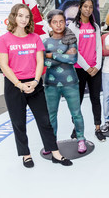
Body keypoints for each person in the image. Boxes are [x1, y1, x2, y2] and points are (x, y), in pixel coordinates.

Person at [0, 3, 72, 168]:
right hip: (14, 86)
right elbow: (4, 65)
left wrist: (36, 81)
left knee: (45, 120)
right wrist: (18, 84)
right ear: (14, 16)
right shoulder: (4, 39)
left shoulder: (35, 38)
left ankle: (55, 153)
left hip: (35, 83)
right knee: (19, 122)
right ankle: (26, 154)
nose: (23, 19)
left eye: (27, 16)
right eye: (20, 15)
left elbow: (40, 61)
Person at [43, 9, 87, 153]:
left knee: (76, 113)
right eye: (55, 22)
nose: (58, 25)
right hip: (51, 84)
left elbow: (72, 59)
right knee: (51, 115)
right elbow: (44, 63)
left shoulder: (71, 40)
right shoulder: (45, 42)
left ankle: (81, 139)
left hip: (70, 82)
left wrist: (51, 55)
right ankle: (51, 143)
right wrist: (61, 56)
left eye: (61, 21)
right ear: (50, 24)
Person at [68, 0, 105, 142]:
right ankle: (76, 128)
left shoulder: (95, 27)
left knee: (96, 99)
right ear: (80, 8)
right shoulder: (73, 27)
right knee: (78, 101)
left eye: (90, 7)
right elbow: (74, 50)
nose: (88, 9)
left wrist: (96, 66)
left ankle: (98, 127)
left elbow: (98, 47)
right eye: (85, 6)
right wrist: (87, 67)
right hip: (79, 69)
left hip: (95, 69)